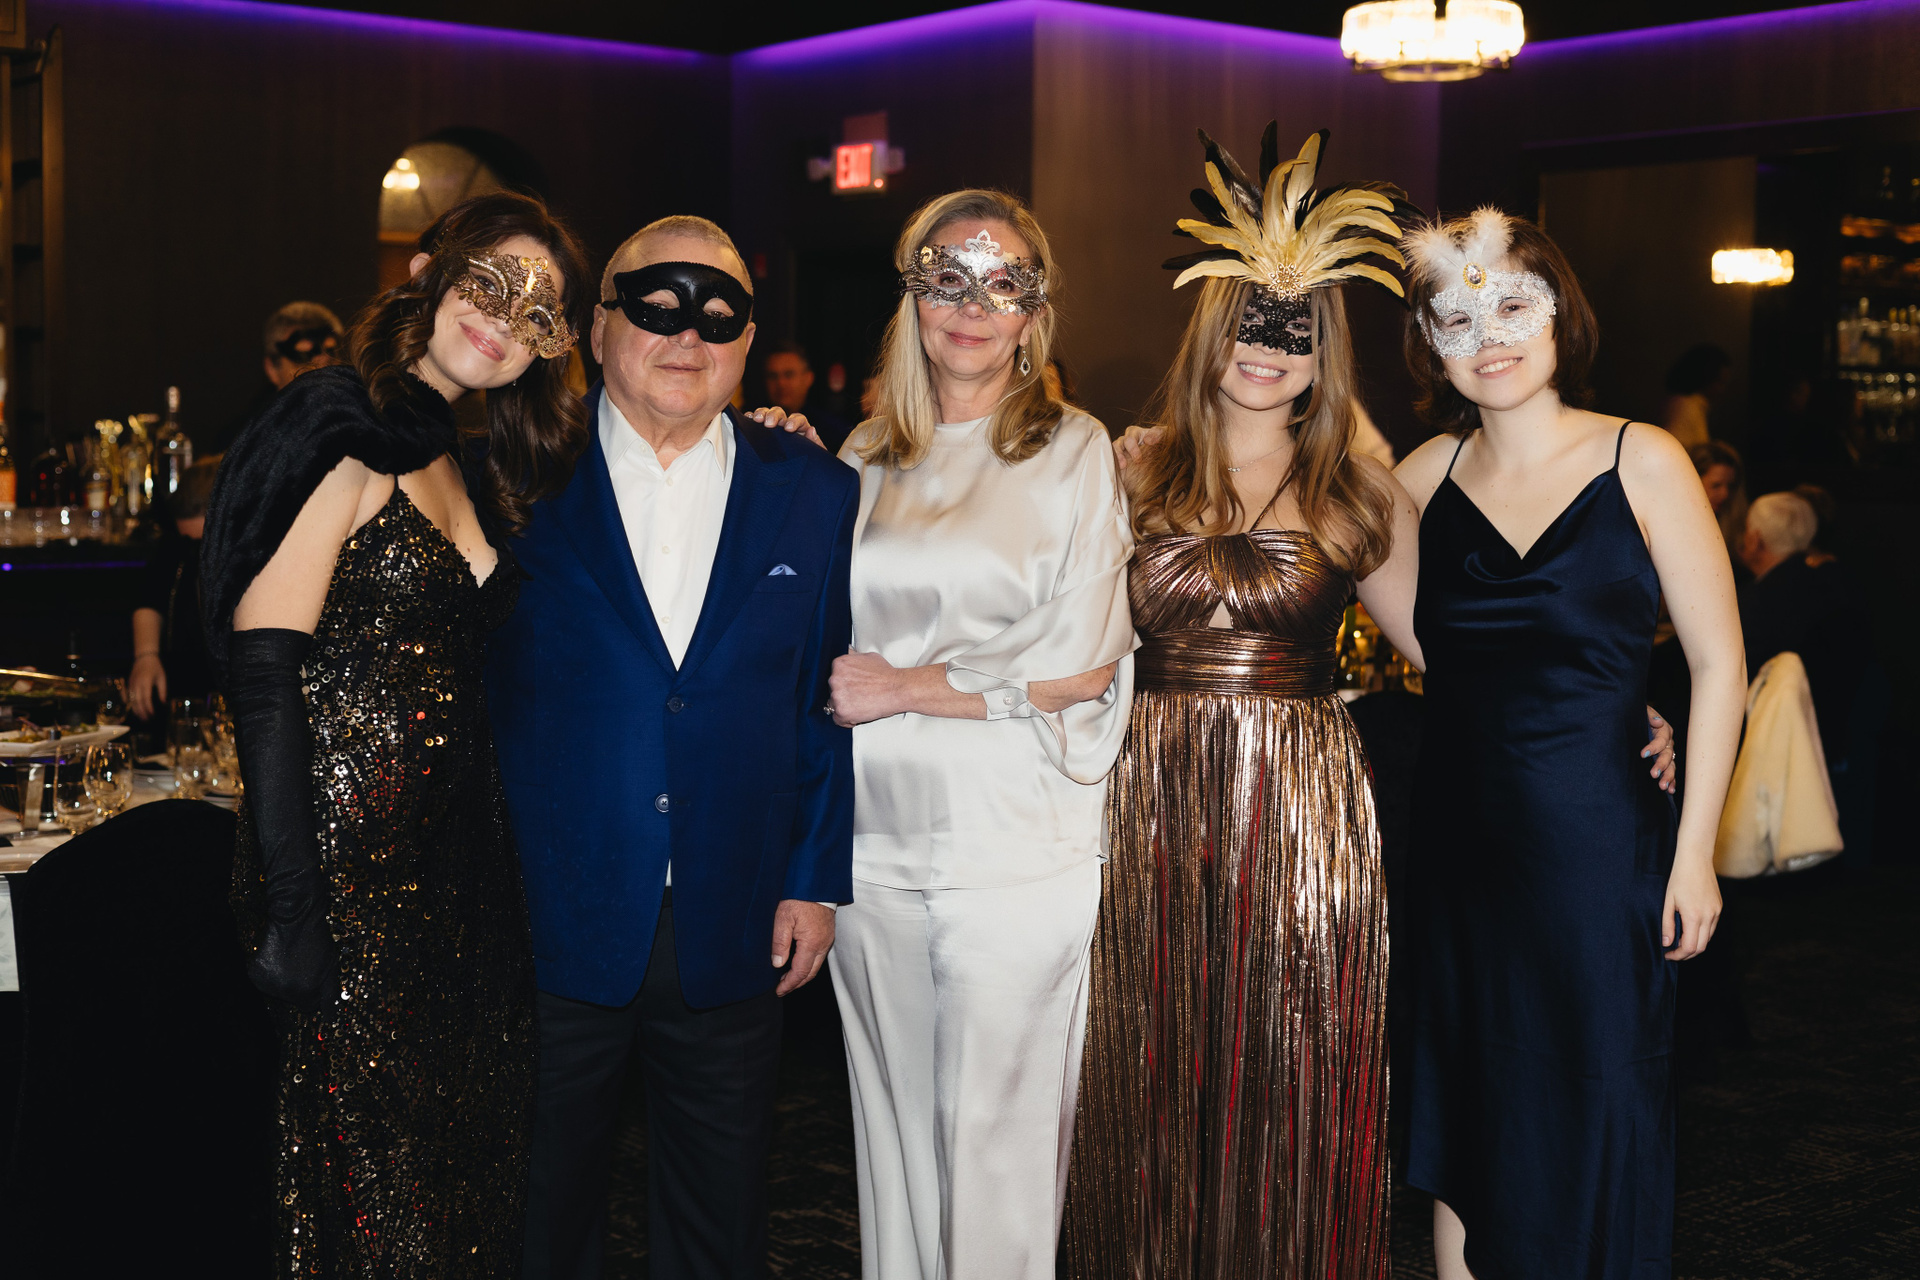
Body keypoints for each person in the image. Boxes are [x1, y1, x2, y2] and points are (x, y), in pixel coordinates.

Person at [199, 191, 591, 1275]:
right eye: (489, 284)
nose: (501, 322)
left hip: (459, 879)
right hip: (345, 881)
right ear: (431, 272)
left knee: (463, 1183)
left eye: (535, 312)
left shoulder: (455, 451)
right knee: (380, 1212)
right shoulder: (338, 425)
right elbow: (264, 673)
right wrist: (295, 908)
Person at [1062, 125, 1422, 1279]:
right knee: (1147, 1044)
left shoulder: (1359, 490)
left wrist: (1616, 706)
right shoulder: (1127, 468)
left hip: (1302, 797)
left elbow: (1450, 649)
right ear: (1209, 330)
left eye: (1296, 328)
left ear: (1325, 352)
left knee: (1292, 1043)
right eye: (1251, 322)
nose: (1268, 347)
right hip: (1147, 790)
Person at [486, 215, 856, 1280]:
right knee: (539, 1213)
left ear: (749, 342)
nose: (688, 335)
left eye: (719, 313)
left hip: (734, 914)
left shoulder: (815, 488)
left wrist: (813, 879)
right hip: (544, 914)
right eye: (656, 306)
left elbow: (822, 695)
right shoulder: (512, 477)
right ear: (598, 328)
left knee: (719, 1219)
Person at [1392, 209, 1746, 1280]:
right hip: (1459, 848)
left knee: (1598, 1093)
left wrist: (1694, 855)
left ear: (1560, 319)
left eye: (1513, 306)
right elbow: (1378, 597)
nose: (1489, 338)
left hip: (1598, 847)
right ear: (1431, 346)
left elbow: (1720, 667)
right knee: (1468, 1105)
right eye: (1458, 320)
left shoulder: (1644, 457)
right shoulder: (1421, 476)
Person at [826, 190, 1135, 1280]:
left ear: (1033, 314)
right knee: (897, 1138)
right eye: (947, 280)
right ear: (912, 297)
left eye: (1002, 285)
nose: (970, 307)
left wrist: (907, 686)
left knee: (996, 1147)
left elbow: (1083, 655)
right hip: (870, 845)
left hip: (1015, 844)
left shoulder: (1073, 448)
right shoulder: (864, 453)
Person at [1738, 491, 1858, 763]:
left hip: (1765, 742)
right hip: (1828, 734)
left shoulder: (1755, 602)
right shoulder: (1828, 586)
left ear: (1755, 539)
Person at [127, 455, 220, 720]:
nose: (198, 552)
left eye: (205, 542)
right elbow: (150, 596)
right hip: (187, 691)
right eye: (189, 542)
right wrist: (146, 657)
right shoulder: (174, 545)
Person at [206, 301, 347, 453]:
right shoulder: (242, 444)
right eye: (303, 357)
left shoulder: (358, 423)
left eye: (331, 357)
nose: (321, 370)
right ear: (272, 369)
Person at [763, 339, 854, 453]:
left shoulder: (836, 432)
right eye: (773, 376)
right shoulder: (755, 428)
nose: (781, 383)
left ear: (808, 378)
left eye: (789, 375)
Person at [1660, 342, 1731, 451]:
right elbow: (1672, 448)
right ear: (1705, 376)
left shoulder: (1691, 404)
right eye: (1719, 382)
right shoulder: (1684, 406)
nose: (1722, 390)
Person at [1691, 438, 1748, 569]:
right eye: (1716, 485)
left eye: (1731, 486)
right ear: (1693, 481)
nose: (1725, 494)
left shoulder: (1736, 531)